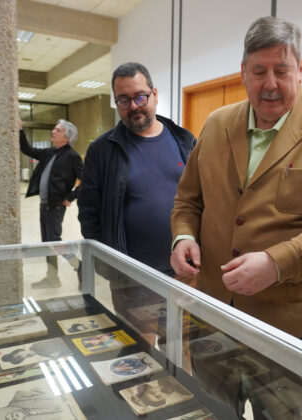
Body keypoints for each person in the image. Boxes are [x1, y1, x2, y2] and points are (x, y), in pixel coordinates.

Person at [170, 16, 302, 418]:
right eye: (258, 71)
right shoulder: (216, 124)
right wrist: (183, 237)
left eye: (282, 70)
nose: (270, 83)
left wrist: (278, 263)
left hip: (287, 324)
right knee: (212, 411)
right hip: (211, 315)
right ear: (243, 72)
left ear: (301, 70)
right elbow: (188, 199)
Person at [77, 62, 195, 334]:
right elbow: (89, 212)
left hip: (183, 275)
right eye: (124, 100)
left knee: (182, 351)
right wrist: (112, 265)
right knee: (138, 357)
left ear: (154, 94)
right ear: (116, 102)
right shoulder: (102, 149)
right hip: (131, 279)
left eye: (140, 96)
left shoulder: (185, 141)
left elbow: (202, 202)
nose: (134, 106)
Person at [19, 119, 83, 288]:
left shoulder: (72, 156)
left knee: (55, 242)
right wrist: (19, 130)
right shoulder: (50, 152)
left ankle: (80, 267)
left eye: (58, 129)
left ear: (67, 137)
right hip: (44, 204)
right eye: (54, 128)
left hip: (56, 206)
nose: (53, 131)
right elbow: (27, 149)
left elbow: (86, 179)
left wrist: (71, 197)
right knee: (47, 244)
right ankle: (52, 278)